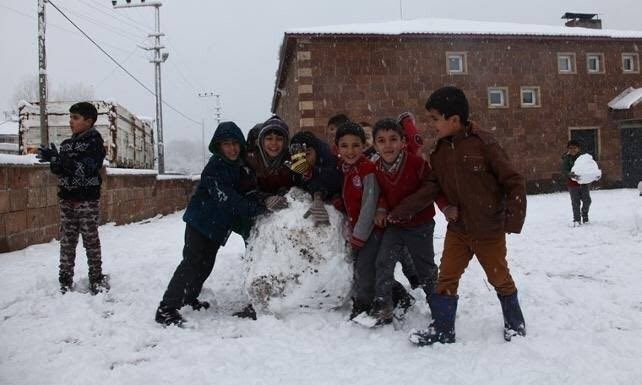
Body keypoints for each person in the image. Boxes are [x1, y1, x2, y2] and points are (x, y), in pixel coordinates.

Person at [404, 86, 527, 345]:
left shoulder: (485, 144)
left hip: (487, 230)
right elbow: (433, 186)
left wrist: (511, 221)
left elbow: (513, 180)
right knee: (447, 276)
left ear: (454, 120)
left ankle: (515, 324)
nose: (431, 124)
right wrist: (403, 210)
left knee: (499, 277)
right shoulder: (438, 152)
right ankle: (444, 329)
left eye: (435, 119)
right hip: (458, 230)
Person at [155, 121, 285, 327]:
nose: (232, 148)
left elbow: (249, 191)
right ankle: (166, 308)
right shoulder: (215, 168)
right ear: (218, 146)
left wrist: (264, 199)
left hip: (216, 227)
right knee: (191, 264)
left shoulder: (240, 166)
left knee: (205, 265)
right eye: (226, 144)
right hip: (200, 224)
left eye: (235, 143)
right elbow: (230, 200)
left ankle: (189, 298)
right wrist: (262, 208)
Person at [369, 118, 449, 325]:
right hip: (395, 226)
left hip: (420, 225)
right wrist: (381, 209)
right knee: (383, 262)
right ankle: (383, 306)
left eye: (393, 139)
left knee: (426, 269)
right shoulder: (376, 167)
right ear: (374, 144)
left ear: (403, 142)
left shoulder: (416, 163)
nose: (388, 145)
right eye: (382, 140)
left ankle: (439, 307)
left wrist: (444, 207)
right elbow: (382, 194)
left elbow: (432, 187)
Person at [36, 102, 108, 295]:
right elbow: (60, 170)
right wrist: (53, 160)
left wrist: (61, 161)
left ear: (89, 121)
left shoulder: (95, 142)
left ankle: (97, 279)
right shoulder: (67, 144)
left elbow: (85, 169)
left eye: (75, 118)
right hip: (66, 198)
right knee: (67, 241)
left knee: (90, 240)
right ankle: (65, 280)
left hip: (86, 200)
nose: (71, 122)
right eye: (70, 117)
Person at [287, 130, 342, 226]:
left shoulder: (329, 159)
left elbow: (334, 181)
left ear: (316, 151)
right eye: (299, 156)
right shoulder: (294, 165)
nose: (304, 160)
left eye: (307, 154)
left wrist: (318, 194)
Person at [244, 116, 296, 195]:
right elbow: (247, 191)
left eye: (279, 139)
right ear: (261, 141)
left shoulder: (291, 160)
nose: (274, 143)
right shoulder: (251, 161)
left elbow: (302, 183)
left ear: (285, 143)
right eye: (269, 138)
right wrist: (265, 198)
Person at [561, 140, 591, 226]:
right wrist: (569, 174)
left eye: (574, 148)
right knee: (575, 202)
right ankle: (577, 219)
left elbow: (590, 167)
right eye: (570, 148)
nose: (572, 150)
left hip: (584, 183)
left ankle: (584, 214)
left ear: (578, 149)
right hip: (572, 184)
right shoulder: (566, 158)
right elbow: (564, 170)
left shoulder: (583, 158)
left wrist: (595, 174)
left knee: (587, 201)